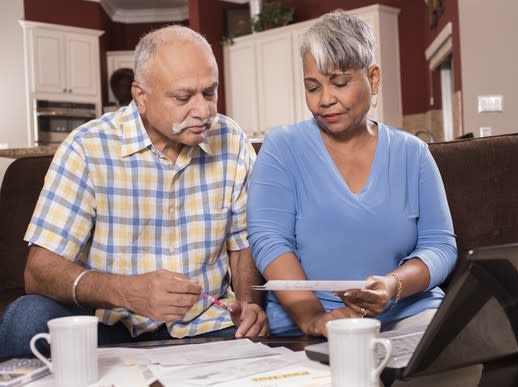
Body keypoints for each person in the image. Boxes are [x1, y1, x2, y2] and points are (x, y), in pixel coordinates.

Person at [0, 25, 267, 358]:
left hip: (207, 325)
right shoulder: (87, 148)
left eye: (210, 93)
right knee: (26, 318)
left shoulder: (233, 140)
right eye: (183, 98)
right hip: (107, 327)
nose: (203, 111)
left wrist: (249, 305)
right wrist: (128, 292)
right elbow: (39, 272)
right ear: (141, 97)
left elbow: (243, 246)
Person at [247, 11, 457, 337]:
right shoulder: (281, 148)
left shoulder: (413, 154)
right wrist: (314, 319)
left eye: (340, 83)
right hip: (304, 324)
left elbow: (440, 246)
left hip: (408, 315)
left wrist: (392, 286)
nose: (325, 100)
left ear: (373, 79)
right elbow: (270, 241)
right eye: (313, 87)